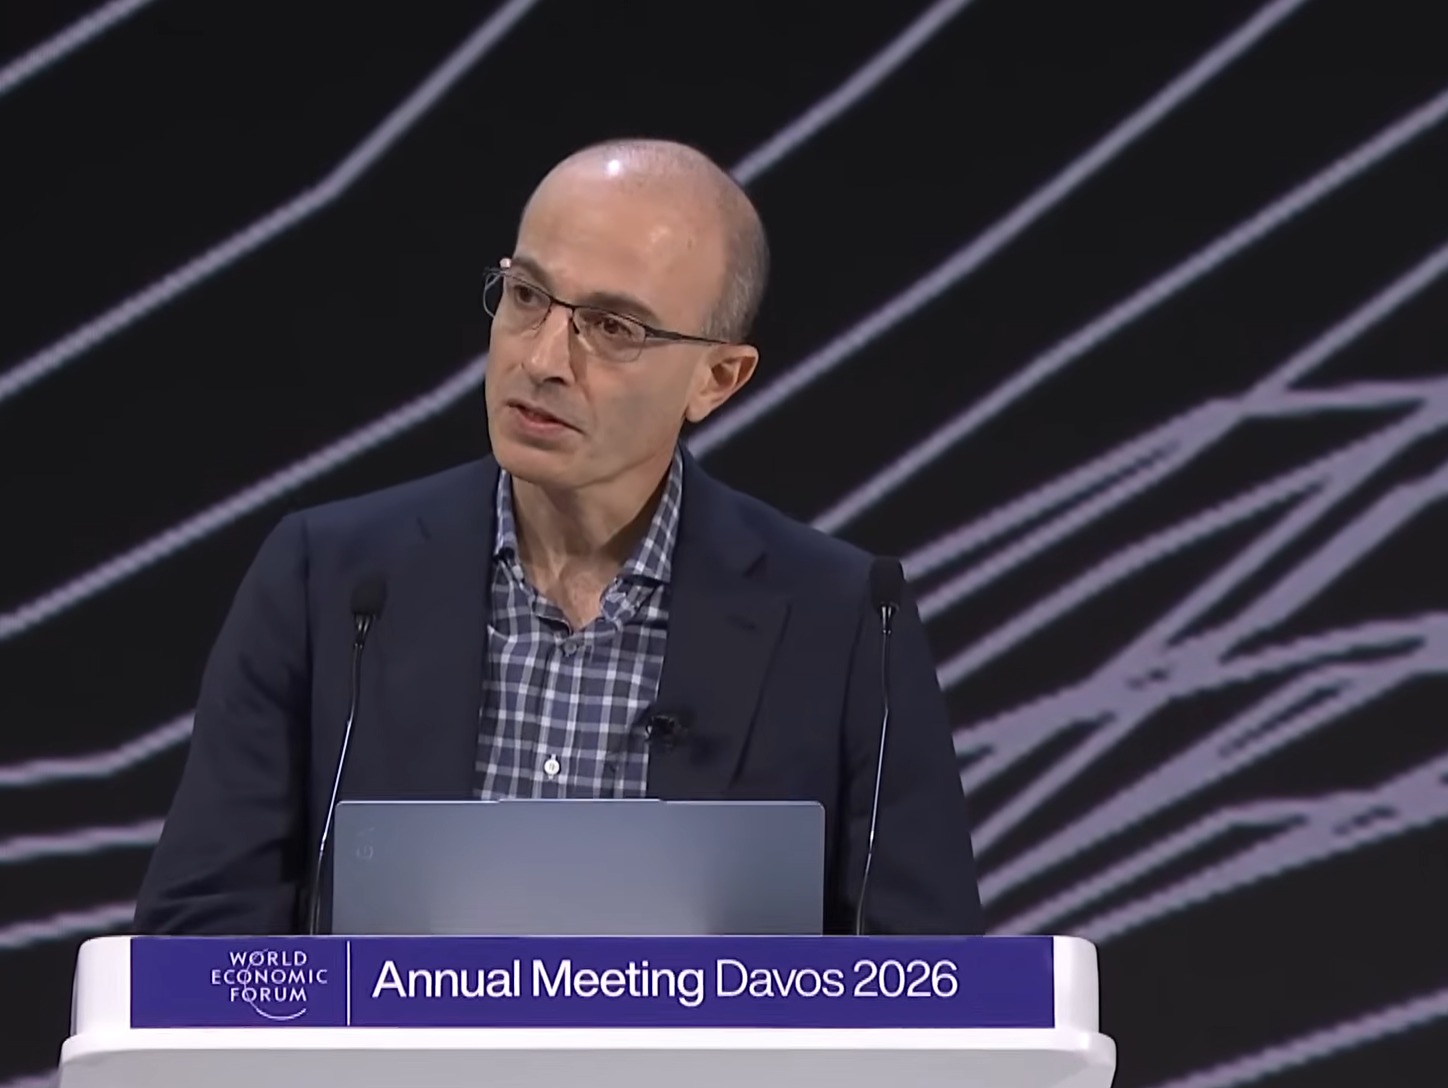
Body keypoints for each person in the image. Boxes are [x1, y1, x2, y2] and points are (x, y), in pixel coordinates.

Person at [133, 138, 984, 936]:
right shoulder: (330, 583)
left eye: (613, 328)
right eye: (528, 297)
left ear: (717, 379)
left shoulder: (844, 622)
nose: (542, 359)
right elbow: (198, 939)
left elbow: (927, 979)